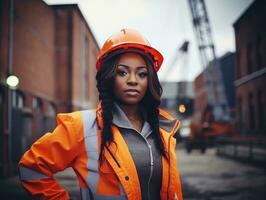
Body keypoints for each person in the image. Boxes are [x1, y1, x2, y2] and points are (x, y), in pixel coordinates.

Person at [18, 28, 183, 200]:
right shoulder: (81, 126)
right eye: (122, 72)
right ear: (109, 77)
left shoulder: (163, 130)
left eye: (142, 74)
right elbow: (31, 167)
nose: (133, 80)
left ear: (149, 80)